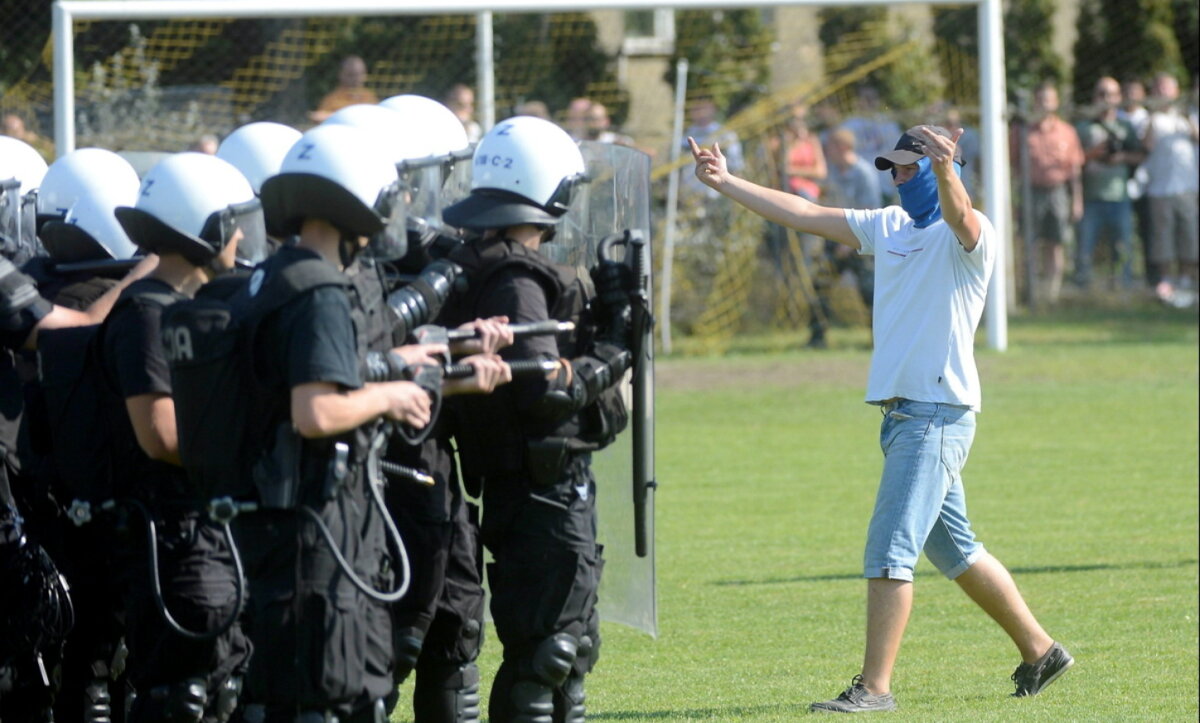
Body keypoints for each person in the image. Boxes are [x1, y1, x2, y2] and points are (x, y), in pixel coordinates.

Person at [689, 124, 1073, 712]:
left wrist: (945, 171)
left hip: (935, 414)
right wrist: (727, 182)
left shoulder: (971, 233)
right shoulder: (888, 226)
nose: (896, 177)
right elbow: (804, 212)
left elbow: (962, 214)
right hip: (903, 417)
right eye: (892, 168)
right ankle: (1040, 650)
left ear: (942, 169)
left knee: (891, 548)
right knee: (957, 552)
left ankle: (875, 688)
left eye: (906, 168)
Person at [249, 122, 507, 722]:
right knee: (334, 693)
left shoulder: (276, 276)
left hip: (291, 518)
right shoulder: (318, 289)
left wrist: (415, 366)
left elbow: (335, 370)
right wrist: (393, 395)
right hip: (316, 525)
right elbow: (316, 408)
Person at [439, 115, 635, 723]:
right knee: (548, 653)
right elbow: (543, 391)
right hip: (539, 487)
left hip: (528, 484)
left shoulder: (482, 262)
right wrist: (614, 348)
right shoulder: (516, 275)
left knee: (569, 650)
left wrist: (601, 321)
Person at [105, 152, 266, 722]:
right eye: (235, 222)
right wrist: (255, 443)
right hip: (173, 538)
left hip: (203, 529)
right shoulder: (148, 315)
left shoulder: (184, 307)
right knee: (183, 695)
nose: (244, 236)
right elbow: (160, 435)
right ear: (208, 228)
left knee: (223, 688)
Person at [1010, 82, 1085, 305]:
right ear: (1035, 102)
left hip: (1058, 192)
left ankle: (1051, 295)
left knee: (1056, 243)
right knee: (1029, 243)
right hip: (1030, 192)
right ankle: (1029, 293)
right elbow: (1011, 166)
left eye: (1049, 99)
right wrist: (1013, 202)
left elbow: (1075, 169)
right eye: (1041, 99)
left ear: (1056, 103)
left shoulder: (1067, 132)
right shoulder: (1021, 131)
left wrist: (1076, 200)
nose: (1045, 104)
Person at [1074, 77, 1144, 292]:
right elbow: (1073, 162)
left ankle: (1123, 290)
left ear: (1119, 98)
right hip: (1091, 198)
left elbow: (1141, 156)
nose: (1106, 99)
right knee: (1085, 248)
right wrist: (1092, 155)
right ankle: (1084, 291)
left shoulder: (1125, 126)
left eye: (1111, 94)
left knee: (1123, 247)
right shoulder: (1084, 127)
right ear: (1095, 98)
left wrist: (1121, 157)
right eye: (1102, 94)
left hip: (1119, 197)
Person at [1141, 72, 1199, 307]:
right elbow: (1147, 145)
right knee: (1163, 237)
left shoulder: (1186, 116)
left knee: (1188, 236)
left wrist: (1186, 118)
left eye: (1168, 89)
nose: (1164, 94)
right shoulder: (1151, 120)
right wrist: (1155, 114)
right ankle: (1166, 282)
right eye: (1160, 89)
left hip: (1187, 188)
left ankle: (1185, 281)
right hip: (1160, 190)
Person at [680, 95, 743, 201]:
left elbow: (736, 166)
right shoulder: (684, 136)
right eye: (695, 108)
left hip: (716, 196)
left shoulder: (725, 135)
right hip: (687, 196)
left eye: (703, 107)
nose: (699, 112)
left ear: (712, 109)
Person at [308, 55, 379, 124]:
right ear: (341, 75)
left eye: (359, 74)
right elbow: (319, 119)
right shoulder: (331, 99)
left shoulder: (370, 98)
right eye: (351, 74)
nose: (355, 79)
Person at [783, 102, 826, 202]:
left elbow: (821, 172)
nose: (799, 124)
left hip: (808, 192)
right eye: (795, 119)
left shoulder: (812, 140)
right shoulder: (782, 143)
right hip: (788, 191)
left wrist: (793, 171)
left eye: (802, 119)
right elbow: (782, 168)